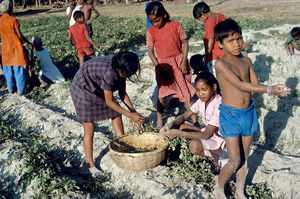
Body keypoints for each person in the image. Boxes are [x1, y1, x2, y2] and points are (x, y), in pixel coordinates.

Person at [213, 19, 291, 199]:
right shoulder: (220, 64)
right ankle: (218, 187)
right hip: (231, 115)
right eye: (230, 41)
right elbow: (240, 85)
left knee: (244, 158)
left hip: (248, 114)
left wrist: (274, 88)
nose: (237, 44)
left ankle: (240, 191)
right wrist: (269, 90)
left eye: (239, 39)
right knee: (234, 160)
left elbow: (255, 84)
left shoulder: (246, 60)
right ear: (220, 44)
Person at [70, 51, 145, 177]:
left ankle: (122, 145)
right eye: (126, 74)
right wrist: (130, 115)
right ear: (119, 69)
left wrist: (133, 111)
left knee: (116, 113)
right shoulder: (109, 74)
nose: (127, 76)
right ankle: (90, 165)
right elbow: (109, 102)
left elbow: (123, 93)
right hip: (82, 87)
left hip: (97, 85)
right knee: (89, 127)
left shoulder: (121, 66)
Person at [160, 71, 228, 168]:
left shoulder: (219, 105)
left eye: (204, 89)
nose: (200, 94)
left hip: (222, 140)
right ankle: (209, 154)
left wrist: (178, 133)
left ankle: (222, 155)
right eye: (197, 90)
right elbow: (184, 116)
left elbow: (206, 135)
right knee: (181, 126)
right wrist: (171, 124)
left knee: (194, 145)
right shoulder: (201, 101)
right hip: (211, 135)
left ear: (214, 87)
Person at [146, 1, 197, 128]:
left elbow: (185, 43)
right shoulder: (151, 32)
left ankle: (195, 121)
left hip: (178, 63)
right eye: (152, 22)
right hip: (163, 65)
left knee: (186, 95)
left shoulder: (176, 26)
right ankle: (159, 118)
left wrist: (184, 61)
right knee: (162, 95)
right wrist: (158, 66)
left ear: (164, 15)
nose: (154, 24)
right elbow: (151, 52)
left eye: (157, 20)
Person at [0, 0, 32, 95]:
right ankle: (20, 92)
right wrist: (28, 42)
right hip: (16, 48)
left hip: (5, 49)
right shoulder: (13, 20)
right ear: (10, 7)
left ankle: (10, 90)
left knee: (8, 71)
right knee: (18, 71)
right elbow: (20, 36)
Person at [193, 2, 226, 75]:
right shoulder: (221, 16)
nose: (202, 21)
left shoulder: (209, 22)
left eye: (200, 19)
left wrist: (207, 55)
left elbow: (211, 39)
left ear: (203, 15)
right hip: (225, 50)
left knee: (215, 75)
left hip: (215, 53)